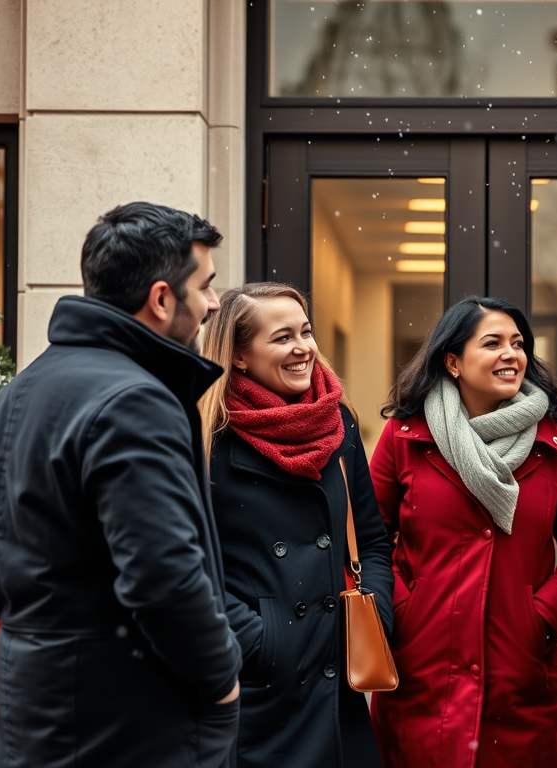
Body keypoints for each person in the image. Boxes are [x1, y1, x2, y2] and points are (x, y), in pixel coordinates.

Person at [0, 202, 241, 768]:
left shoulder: (15, 394)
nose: (215, 304)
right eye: (207, 286)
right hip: (124, 718)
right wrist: (222, 678)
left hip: (35, 703)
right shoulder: (136, 400)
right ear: (163, 298)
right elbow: (163, 576)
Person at [368, 296, 557, 768]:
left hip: (521, 673)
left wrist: (543, 617)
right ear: (452, 361)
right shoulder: (405, 437)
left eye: (518, 344)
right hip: (422, 670)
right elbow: (369, 539)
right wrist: (403, 609)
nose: (511, 355)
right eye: (492, 343)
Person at [200, 282, 392, 768]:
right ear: (239, 356)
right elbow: (189, 561)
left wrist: (376, 620)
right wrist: (259, 640)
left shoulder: (337, 422)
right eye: (282, 337)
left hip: (336, 676)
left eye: (305, 332)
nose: (303, 348)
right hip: (260, 685)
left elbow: (370, 538)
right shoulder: (206, 434)